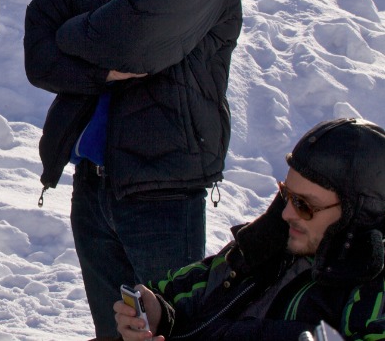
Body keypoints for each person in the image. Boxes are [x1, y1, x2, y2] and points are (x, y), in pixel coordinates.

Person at [23, 0, 243, 340]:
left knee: (167, 332)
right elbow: (36, 53)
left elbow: (137, 40)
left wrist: (74, 34)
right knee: (111, 333)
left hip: (162, 190)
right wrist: (101, 68)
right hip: (92, 184)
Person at [115, 118, 385, 340]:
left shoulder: (371, 287)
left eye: (305, 205)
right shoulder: (266, 243)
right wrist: (158, 312)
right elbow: (179, 290)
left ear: (357, 215)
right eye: (286, 195)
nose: (288, 212)